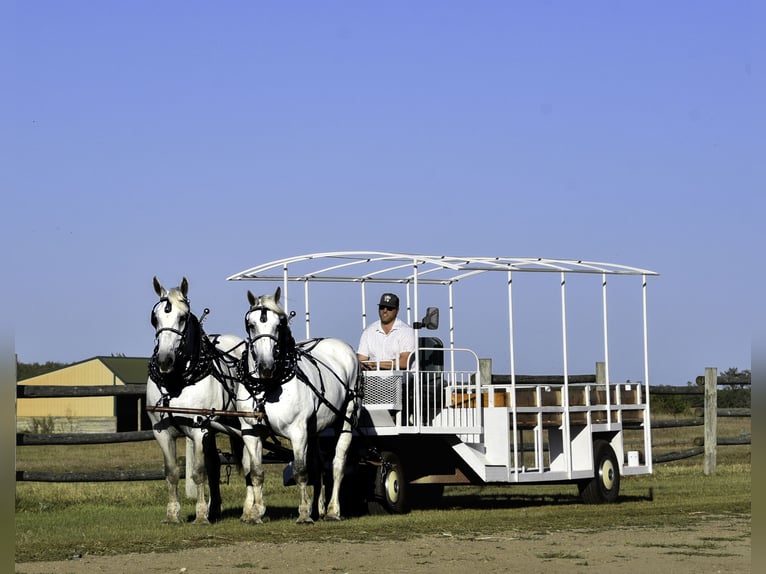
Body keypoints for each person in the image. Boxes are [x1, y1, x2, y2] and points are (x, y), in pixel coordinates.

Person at [357, 293, 416, 371]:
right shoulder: (368, 331)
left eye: (389, 308)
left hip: (401, 379)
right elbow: (361, 360)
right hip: (373, 379)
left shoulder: (406, 331)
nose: (385, 311)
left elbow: (404, 362)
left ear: (397, 310)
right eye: (382, 307)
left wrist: (374, 364)